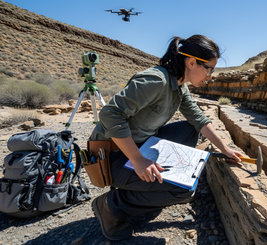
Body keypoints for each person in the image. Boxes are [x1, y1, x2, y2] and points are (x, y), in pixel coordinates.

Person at [89, 34, 242, 241]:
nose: (210, 76)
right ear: (191, 62)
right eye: (209, 69)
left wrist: (224, 148)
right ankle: (111, 204)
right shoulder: (156, 80)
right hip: (110, 155)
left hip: (141, 144)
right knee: (183, 190)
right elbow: (110, 114)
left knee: (190, 129)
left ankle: (145, 185)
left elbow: (199, 120)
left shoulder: (179, 86)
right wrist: (138, 160)